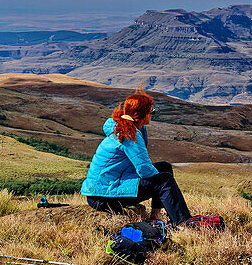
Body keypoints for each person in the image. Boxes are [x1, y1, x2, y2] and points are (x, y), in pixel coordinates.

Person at [82, 87, 193, 226]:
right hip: (103, 197)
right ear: (142, 114)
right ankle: (183, 223)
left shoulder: (125, 127)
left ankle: (155, 215)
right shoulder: (129, 134)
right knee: (165, 180)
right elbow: (145, 170)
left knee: (164, 167)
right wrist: (159, 183)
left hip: (103, 190)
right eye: (151, 111)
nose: (152, 114)